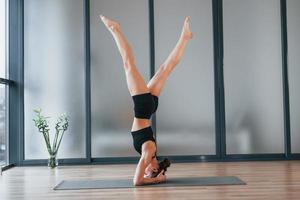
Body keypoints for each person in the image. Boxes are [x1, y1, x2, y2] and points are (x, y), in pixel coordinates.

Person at [100, 15, 193, 186]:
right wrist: (156, 180)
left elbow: (141, 177)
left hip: (149, 108)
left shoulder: (150, 152)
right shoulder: (149, 152)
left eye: (148, 174)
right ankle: (115, 29)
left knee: (166, 68)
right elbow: (137, 181)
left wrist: (156, 177)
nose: (146, 172)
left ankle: (185, 38)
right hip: (143, 108)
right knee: (128, 64)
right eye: (149, 172)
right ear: (155, 168)